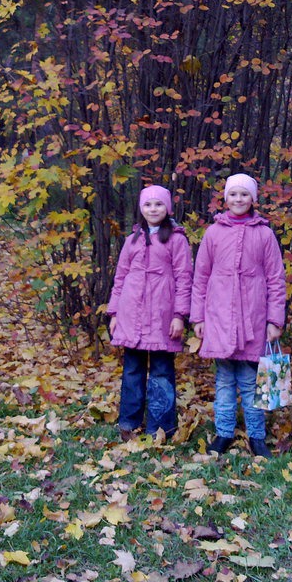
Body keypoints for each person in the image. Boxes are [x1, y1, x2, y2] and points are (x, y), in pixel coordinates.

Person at [190, 173, 286, 458]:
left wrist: (274, 320)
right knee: (223, 380)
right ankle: (224, 433)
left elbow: (276, 279)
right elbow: (200, 277)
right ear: (225, 198)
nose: (239, 199)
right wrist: (198, 318)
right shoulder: (213, 233)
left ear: (253, 199)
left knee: (250, 380)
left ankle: (257, 436)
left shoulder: (264, 234)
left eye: (244, 194)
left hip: (253, 319)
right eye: (233, 194)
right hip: (218, 317)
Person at [107, 184, 192, 439]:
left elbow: (184, 279)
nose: (153, 209)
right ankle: (129, 423)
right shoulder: (132, 240)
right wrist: (114, 313)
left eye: (158, 204)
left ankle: (161, 427)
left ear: (168, 208)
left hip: (162, 317)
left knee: (161, 372)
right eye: (148, 204)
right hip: (131, 315)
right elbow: (120, 277)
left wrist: (179, 315)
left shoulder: (176, 240)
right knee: (132, 371)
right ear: (141, 208)